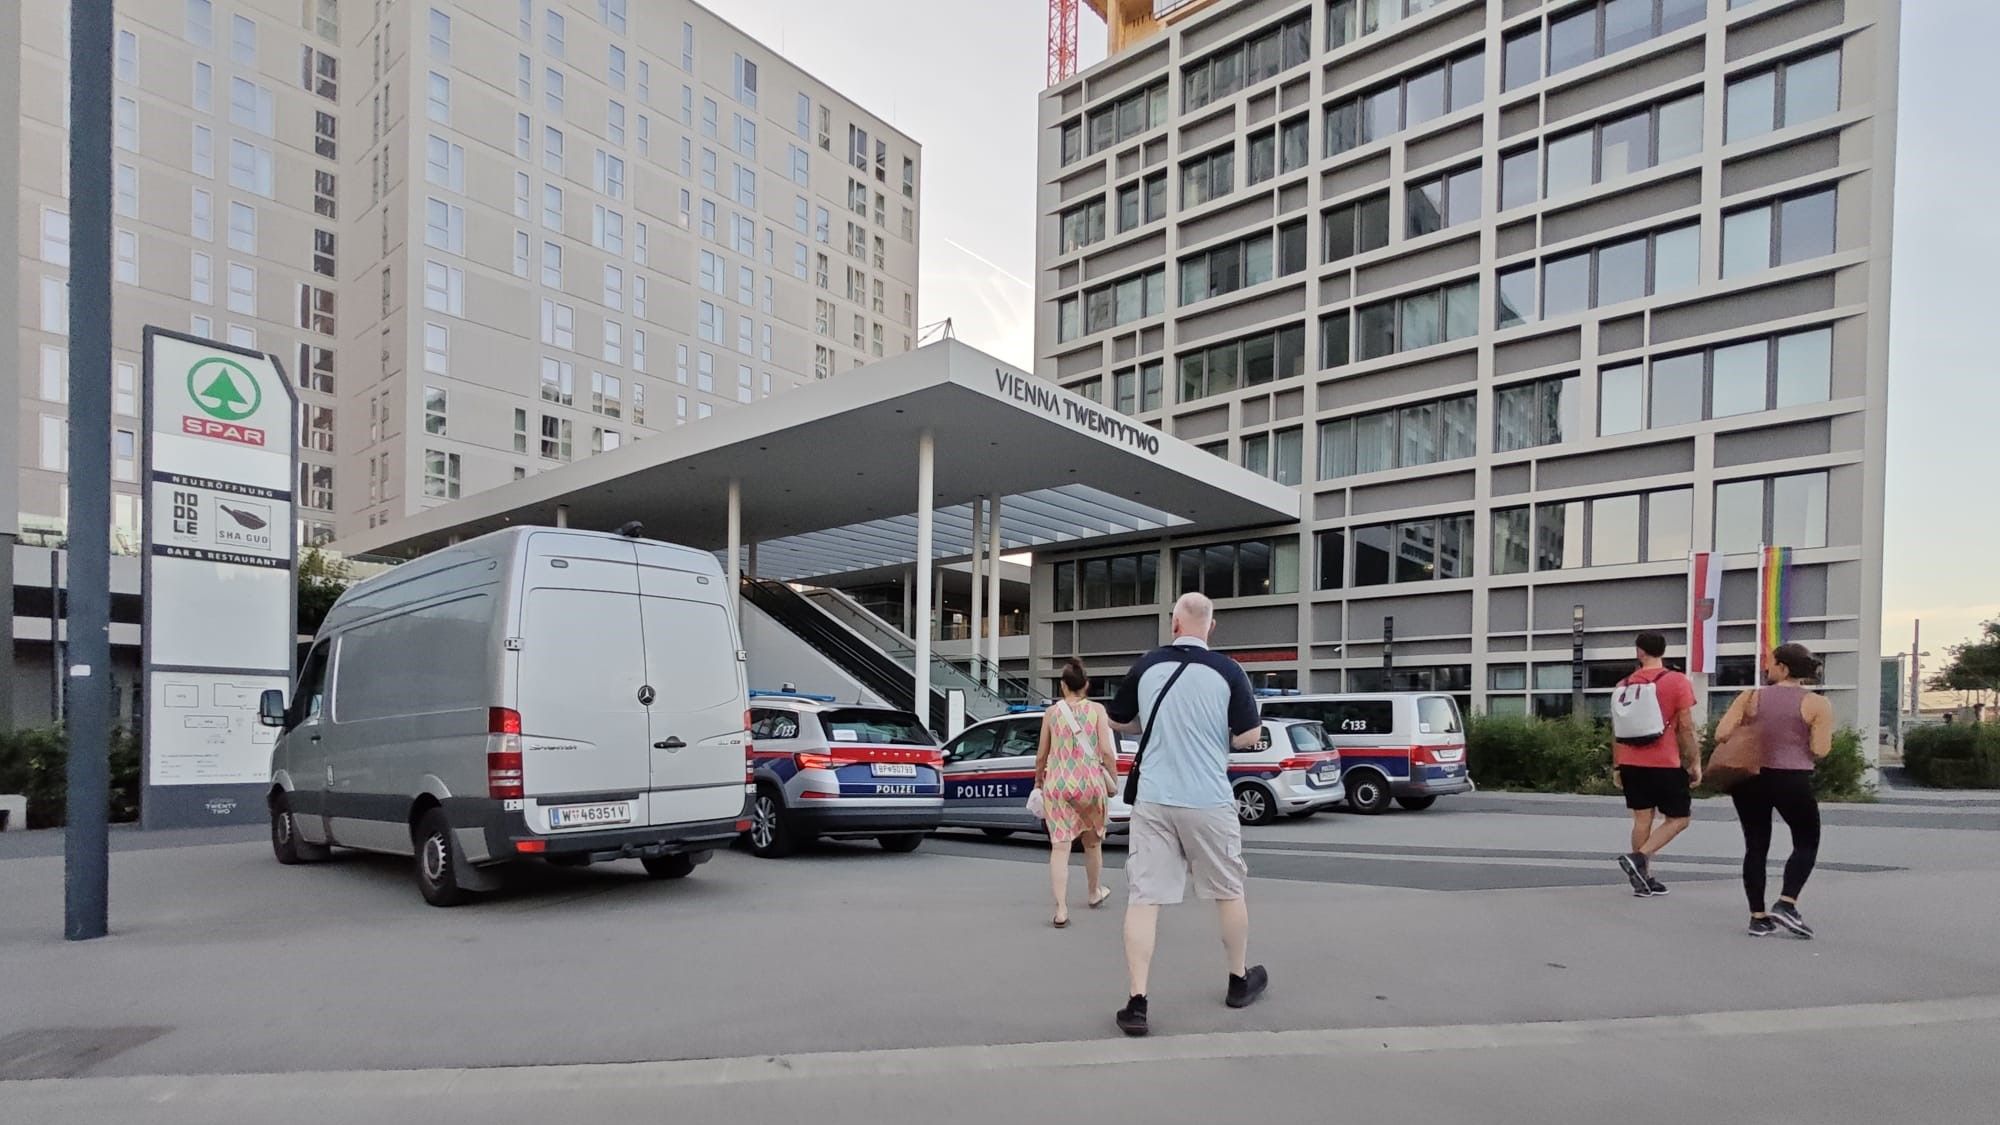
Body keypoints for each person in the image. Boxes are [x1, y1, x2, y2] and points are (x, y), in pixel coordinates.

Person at [1104, 592, 1267, 1037]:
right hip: (1208, 800)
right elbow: (1248, 736)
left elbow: (1121, 719)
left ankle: (1137, 1002)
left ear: (1174, 623)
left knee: (1145, 897)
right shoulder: (1230, 671)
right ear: (1210, 628)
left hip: (1154, 800)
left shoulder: (1147, 665)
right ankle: (1238, 979)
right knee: (1228, 889)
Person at [1713, 643, 1834, 938]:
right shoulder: (1817, 704)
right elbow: (1821, 749)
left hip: (1749, 778)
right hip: (1791, 778)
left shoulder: (1750, 696)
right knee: (1806, 840)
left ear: (1783, 668)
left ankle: (1758, 917)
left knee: (1756, 846)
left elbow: (1721, 734)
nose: (1766, 668)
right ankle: (1787, 902)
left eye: (1770, 663)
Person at [1612, 632, 1701, 897]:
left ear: (1639, 652)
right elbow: (1685, 727)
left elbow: (1617, 728)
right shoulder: (1676, 681)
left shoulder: (1624, 684)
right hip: (1664, 761)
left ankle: (1642, 878)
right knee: (1680, 818)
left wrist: (1617, 765)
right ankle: (1639, 860)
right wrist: (1694, 761)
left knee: (1642, 819)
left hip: (1630, 761)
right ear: (1663, 650)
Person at [1034, 658, 1120, 928]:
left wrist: (1038, 782)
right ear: (1087, 685)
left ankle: (1061, 909)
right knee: (1092, 842)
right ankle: (1094, 892)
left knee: (1060, 847)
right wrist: (1113, 778)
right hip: (1089, 784)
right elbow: (1106, 751)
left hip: (1058, 784)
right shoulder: (1097, 710)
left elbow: (1041, 755)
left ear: (1062, 686)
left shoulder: (1052, 713)